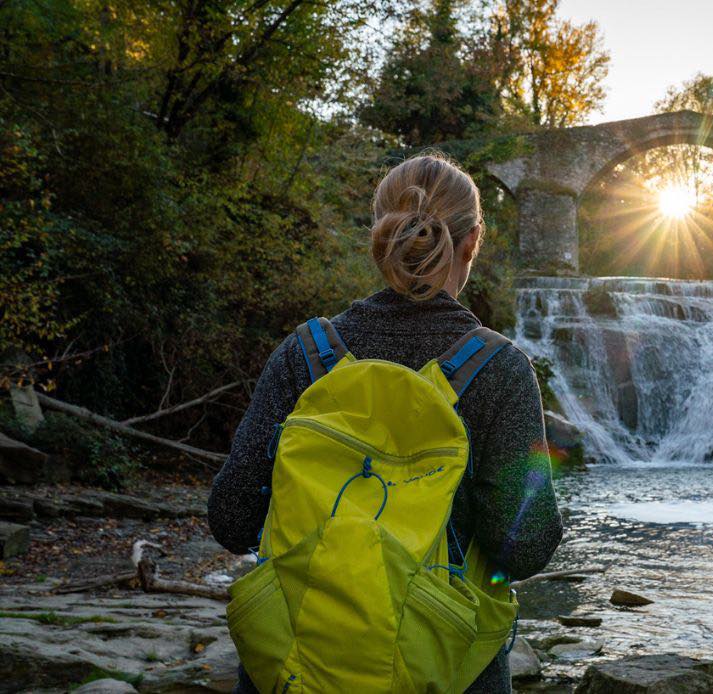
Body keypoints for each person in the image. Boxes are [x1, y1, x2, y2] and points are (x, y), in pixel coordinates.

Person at [208, 153, 563, 693]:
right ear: (471, 245)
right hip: (446, 673)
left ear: (380, 238)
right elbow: (525, 547)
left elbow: (232, 519)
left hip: (295, 669)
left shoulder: (304, 355)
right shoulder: (501, 369)